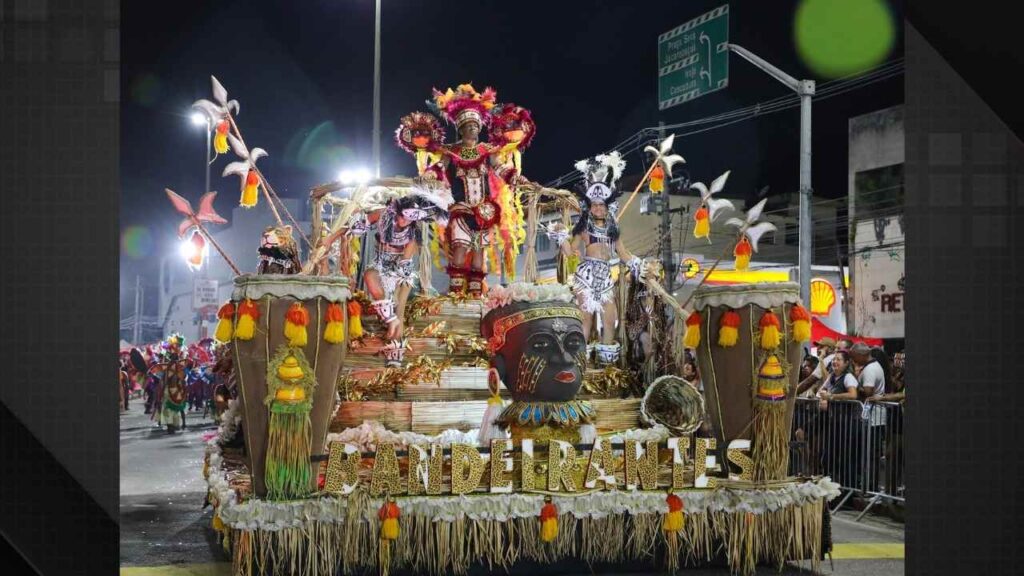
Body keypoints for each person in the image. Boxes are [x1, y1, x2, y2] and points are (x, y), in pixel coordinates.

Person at [549, 152, 645, 366]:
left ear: (608, 206)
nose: (598, 208)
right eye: (595, 205)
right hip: (586, 276)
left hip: (606, 277)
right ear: (589, 206)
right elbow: (570, 252)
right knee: (586, 319)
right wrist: (561, 235)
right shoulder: (584, 227)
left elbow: (623, 254)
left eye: (602, 205)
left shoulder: (613, 229)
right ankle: (581, 364)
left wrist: (640, 265)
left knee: (610, 319)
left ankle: (605, 367)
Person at [348, 191, 450, 366]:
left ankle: (395, 354)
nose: (404, 221)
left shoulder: (413, 234)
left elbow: (404, 263)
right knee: (370, 278)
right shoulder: (382, 214)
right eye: (403, 216)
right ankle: (391, 321)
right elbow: (353, 227)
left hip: (401, 272)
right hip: (379, 265)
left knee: (398, 308)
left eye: (410, 219)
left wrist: (396, 286)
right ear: (398, 210)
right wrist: (339, 234)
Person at [428, 84, 502, 297]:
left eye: (475, 125)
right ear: (460, 129)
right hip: (461, 210)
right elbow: (439, 167)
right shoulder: (451, 151)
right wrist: (430, 174)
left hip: (484, 212)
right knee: (460, 249)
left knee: (479, 252)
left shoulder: (487, 150)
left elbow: (500, 168)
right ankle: (455, 295)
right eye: (468, 126)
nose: (473, 129)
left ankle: (476, 295)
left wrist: (516, 177)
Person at [851, 342, 886, 491]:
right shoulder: (871, 366)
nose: (853, 360)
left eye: (854, 357)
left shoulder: (870, 369)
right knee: (869, 454)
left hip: (874, 419)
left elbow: (868, 391)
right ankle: (869, 486)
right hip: (872, 418)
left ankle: (871, 487)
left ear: (862, 355)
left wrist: (854, 387)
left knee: (871, 455)